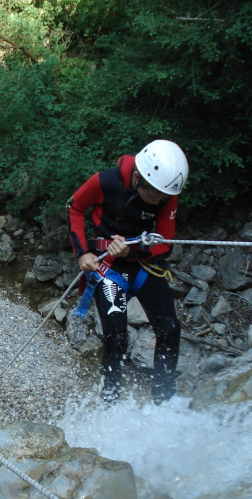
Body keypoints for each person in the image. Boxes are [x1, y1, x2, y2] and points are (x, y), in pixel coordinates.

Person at [66, 139, 189, 404]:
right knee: (117, 335)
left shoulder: (167, 192)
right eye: (153, 193)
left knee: (169, 329)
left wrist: (132, 252)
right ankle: (110, 400)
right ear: (137, 178)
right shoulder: (104, 182)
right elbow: (74, 207)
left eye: (163, 196)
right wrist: (82, 253)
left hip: (142, 264)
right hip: (108, 266)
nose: (158, 200)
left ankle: (164, 399)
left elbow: (165, 242)